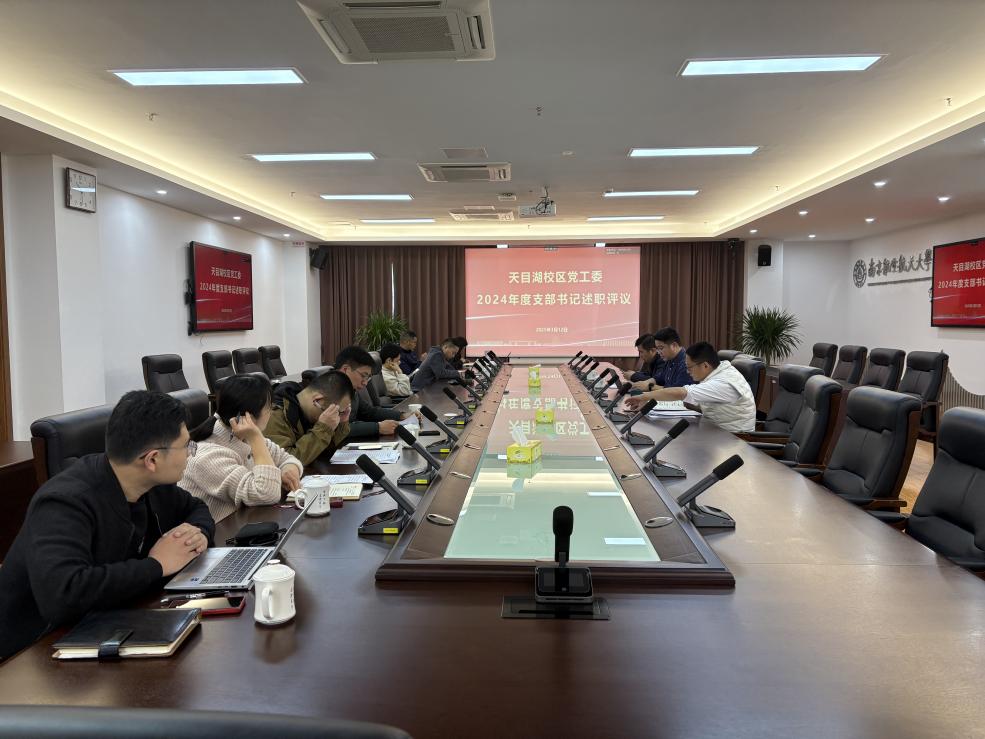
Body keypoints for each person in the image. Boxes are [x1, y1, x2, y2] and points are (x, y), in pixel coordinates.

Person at [0, 390, 214, 662]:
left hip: (107, 623)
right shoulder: (64, 502)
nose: (190, 455)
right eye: (186, 446)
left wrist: (198, 533)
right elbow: (64, 594)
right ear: (152, 459)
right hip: (33, 653)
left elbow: (195, 508)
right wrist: (157, 565)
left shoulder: (151, 484)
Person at [181, 374, 304, 522]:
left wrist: (288, 470)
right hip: (219, 533)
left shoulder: (242, 435)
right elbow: (266, 494)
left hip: (245, 523)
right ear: (247, 417)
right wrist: (256, 438)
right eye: (269, 408)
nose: (271, 412)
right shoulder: (207, 455)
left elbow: (287, 458)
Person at [624, 341, 756, 433]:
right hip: (715, 430)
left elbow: (680, 392)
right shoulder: (718, 372)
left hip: (734, 439)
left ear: (705, 365)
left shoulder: (723, 383)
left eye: (689, 368)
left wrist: (644, 397)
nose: (688, 372)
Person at [264, 369, 353, 466]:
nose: (336, 417)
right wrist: (323, 429)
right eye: (337, 412)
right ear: (318, 400)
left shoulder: (302, 406)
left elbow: (321, 450)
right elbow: (286, 462)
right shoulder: (273, 413)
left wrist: (341, 423)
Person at [335, 346, 415, 439]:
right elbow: (335, 429)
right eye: (363, 376)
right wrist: (378, 428)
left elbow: (369, 412)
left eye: (368, 378)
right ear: (345, 370)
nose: (365, 383)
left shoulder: (350, 389)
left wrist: (401, 415)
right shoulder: (328, 390)